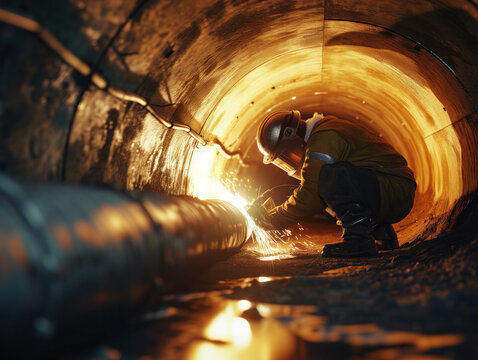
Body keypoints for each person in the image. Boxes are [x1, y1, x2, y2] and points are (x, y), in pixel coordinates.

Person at [248, 110, 416, 257]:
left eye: (286, 155)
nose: (289, 162)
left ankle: (358, 240)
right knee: (330, 185)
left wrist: (271, 220)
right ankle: (382, 234)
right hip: (393, 191)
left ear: (293, 137)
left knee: (330, 177)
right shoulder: (325, 130)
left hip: (393, 191)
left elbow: (310, 195)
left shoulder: (324, 138)